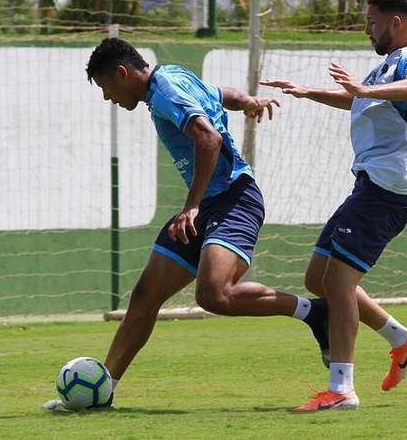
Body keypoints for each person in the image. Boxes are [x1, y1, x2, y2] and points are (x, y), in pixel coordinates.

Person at [46, 38, 329, 410]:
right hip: (210, 203)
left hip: (233, 198)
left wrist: (191, 207)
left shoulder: (164, 92)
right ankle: (103, 391)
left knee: (215, 294)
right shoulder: (173, 76)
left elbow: (208, 138)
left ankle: (314, 312)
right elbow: (219, 92)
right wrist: (249, 101)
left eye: (106, 88)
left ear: (122, 73)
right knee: (145, 296)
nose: (107, 98)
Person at [262, 0, 407, 411]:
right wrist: (308, 92)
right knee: (318, 276)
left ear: (396, 23)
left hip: (386, 189)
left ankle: (341, 389)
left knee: (338, 283)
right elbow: (357, 98)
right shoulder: (386, 67)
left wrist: (364, 87)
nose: (367, 29)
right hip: (370, 186)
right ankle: (402, 338)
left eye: (372, 22)